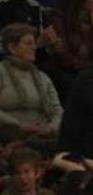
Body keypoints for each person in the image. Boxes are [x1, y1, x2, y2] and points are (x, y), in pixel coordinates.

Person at [0, 23, 62, 152]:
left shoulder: (43, 77)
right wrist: (20, 125)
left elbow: (58, 111)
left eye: (34, 43)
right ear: (12, 47)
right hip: (9, 134)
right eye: (28, 43)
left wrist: (50, 128)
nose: (34, 47)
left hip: (43, 136)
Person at [48, 0, 93, 89]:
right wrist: (90, 68)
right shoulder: (59, 18)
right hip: (69, 74)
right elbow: (63, 57)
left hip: (91, 72)